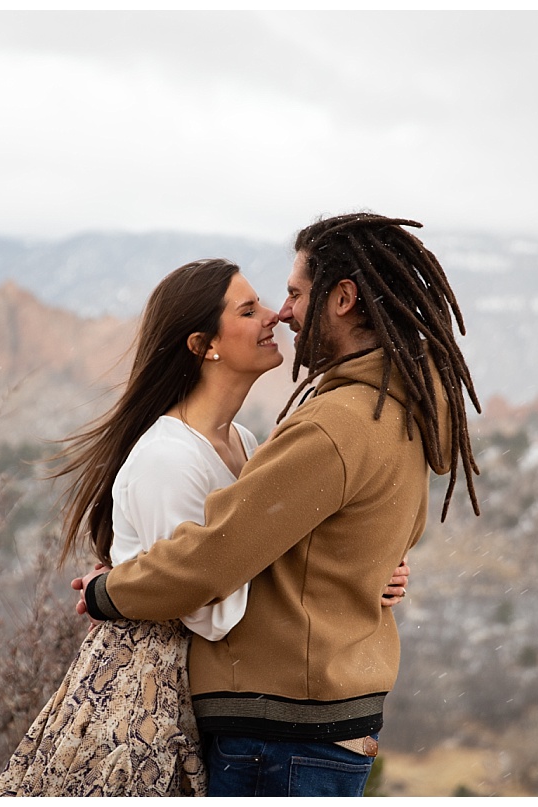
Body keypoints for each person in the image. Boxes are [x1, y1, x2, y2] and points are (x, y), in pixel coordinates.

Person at [79, 212, 481, 798]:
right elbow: (338, 538)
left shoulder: (337, 425)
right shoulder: (394, 408)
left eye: (294, 293)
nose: (283, 312)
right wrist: (365, 569)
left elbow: (215, 558)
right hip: (324, 721)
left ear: (343, 298)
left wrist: (108, 591)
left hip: (285, 732)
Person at [0, 258, 409, 797]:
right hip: (155, 714)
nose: (273, 318)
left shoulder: (245, 443)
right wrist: (336, 578)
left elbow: (274, 545)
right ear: (202, 344)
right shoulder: (169, 459)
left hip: (216, 707)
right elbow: (210, 614)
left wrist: (361, 565)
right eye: (249, 309)